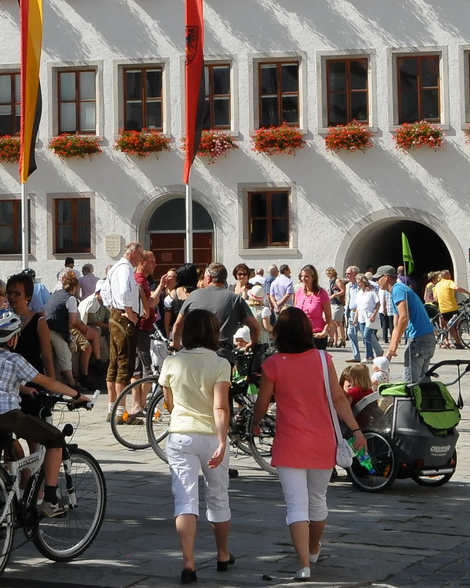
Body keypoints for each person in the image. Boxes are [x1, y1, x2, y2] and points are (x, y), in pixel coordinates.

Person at [251, 309, 367, 582]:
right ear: (305, 331)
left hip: (289, 443)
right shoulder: (322, 359)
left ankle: (303, 564)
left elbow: (262, 404)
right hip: (322, 441)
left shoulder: (273, 364)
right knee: (318, 500)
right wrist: (356, 428)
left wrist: (255, 422)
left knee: (295, 505)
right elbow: (339, 399)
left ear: (280, 333)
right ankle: (313, 548)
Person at [0, 309, 89, 520]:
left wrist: (24, 389)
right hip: (8, 416)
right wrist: (77, 395)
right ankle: (50, 500)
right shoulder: (15, 359)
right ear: (12, 338)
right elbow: (48, 382)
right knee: (55, 439)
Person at [157, 308, 234, 582]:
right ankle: (222, 554)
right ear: (214, 333)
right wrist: (223, 441)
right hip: (211, 436)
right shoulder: (220, 363)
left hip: (180, 435)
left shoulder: (171, 362)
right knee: (218, 496)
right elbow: (221, 407)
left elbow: (169, 403)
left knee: (185, 499)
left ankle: (188, 561)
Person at [104, 244, 149, 421]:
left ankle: (112, 408)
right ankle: (121, 413)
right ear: (134, 253)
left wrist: (114, 309)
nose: (140, 260)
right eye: (140, 257)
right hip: (124, 318)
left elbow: (105, 292)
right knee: (125, 363)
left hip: (116, 315)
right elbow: (124, 291)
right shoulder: (125, 269)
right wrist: (129, 312)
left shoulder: (114, 268)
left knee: (114, 363)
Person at [173, 263, 255, 351]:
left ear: (209, 278)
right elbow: (255, 327)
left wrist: (176, 345)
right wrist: (252, 343)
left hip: (196, 352)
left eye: (204, 277)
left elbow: (178, 325)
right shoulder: (235, 299)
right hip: (223, 353)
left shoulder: (193, 295)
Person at [380, 264, 436, 383]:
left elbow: (404, 317)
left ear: (385, 277)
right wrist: (391, 350)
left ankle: (412, 402)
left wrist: (393, 346)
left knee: (410, 383)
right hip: (427, 337)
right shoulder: (398, 289)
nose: (376, 281)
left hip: (418, 339)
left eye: (377, 278)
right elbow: (397, 321)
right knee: (422, 382)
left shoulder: (397, 289)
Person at [346, 267, 379, 362]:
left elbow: (377, 303)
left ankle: (370, 355)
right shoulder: (358, 292)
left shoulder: (371, 291)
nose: (358, 284)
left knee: (366, 335)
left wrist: (374, 314)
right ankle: (362, 355)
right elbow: (358, 306)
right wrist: (355, 317)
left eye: (360, 282)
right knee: (353, 334)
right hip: (359, 316)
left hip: (369, 317)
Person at [292, 265, 329, 340]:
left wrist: (324, 332)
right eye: (301, 276)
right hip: (300, 334)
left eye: (306, 276)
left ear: (313, 277)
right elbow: (295, 314)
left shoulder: (321, 293)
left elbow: (329, 317)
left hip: (316, 335)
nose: (303, 279)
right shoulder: (299, 292)